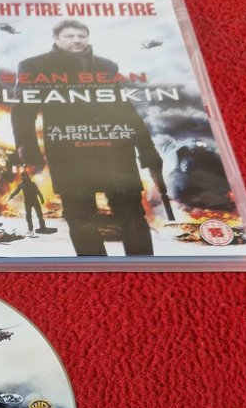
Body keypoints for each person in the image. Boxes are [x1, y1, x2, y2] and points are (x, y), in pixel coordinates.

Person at [11, 19, 162, 256]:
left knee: (132, 213)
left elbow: (124, 109)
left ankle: (144, 267)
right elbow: (22, 111)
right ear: (56, 38)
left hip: (115, 152)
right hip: (69, 152)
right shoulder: (33, 65)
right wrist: (29, 152)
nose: (77, 40)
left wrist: (147, 150)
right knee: (79, 215)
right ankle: (94, 269)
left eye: (81, 36)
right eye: (70, 36)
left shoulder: (106, 65)